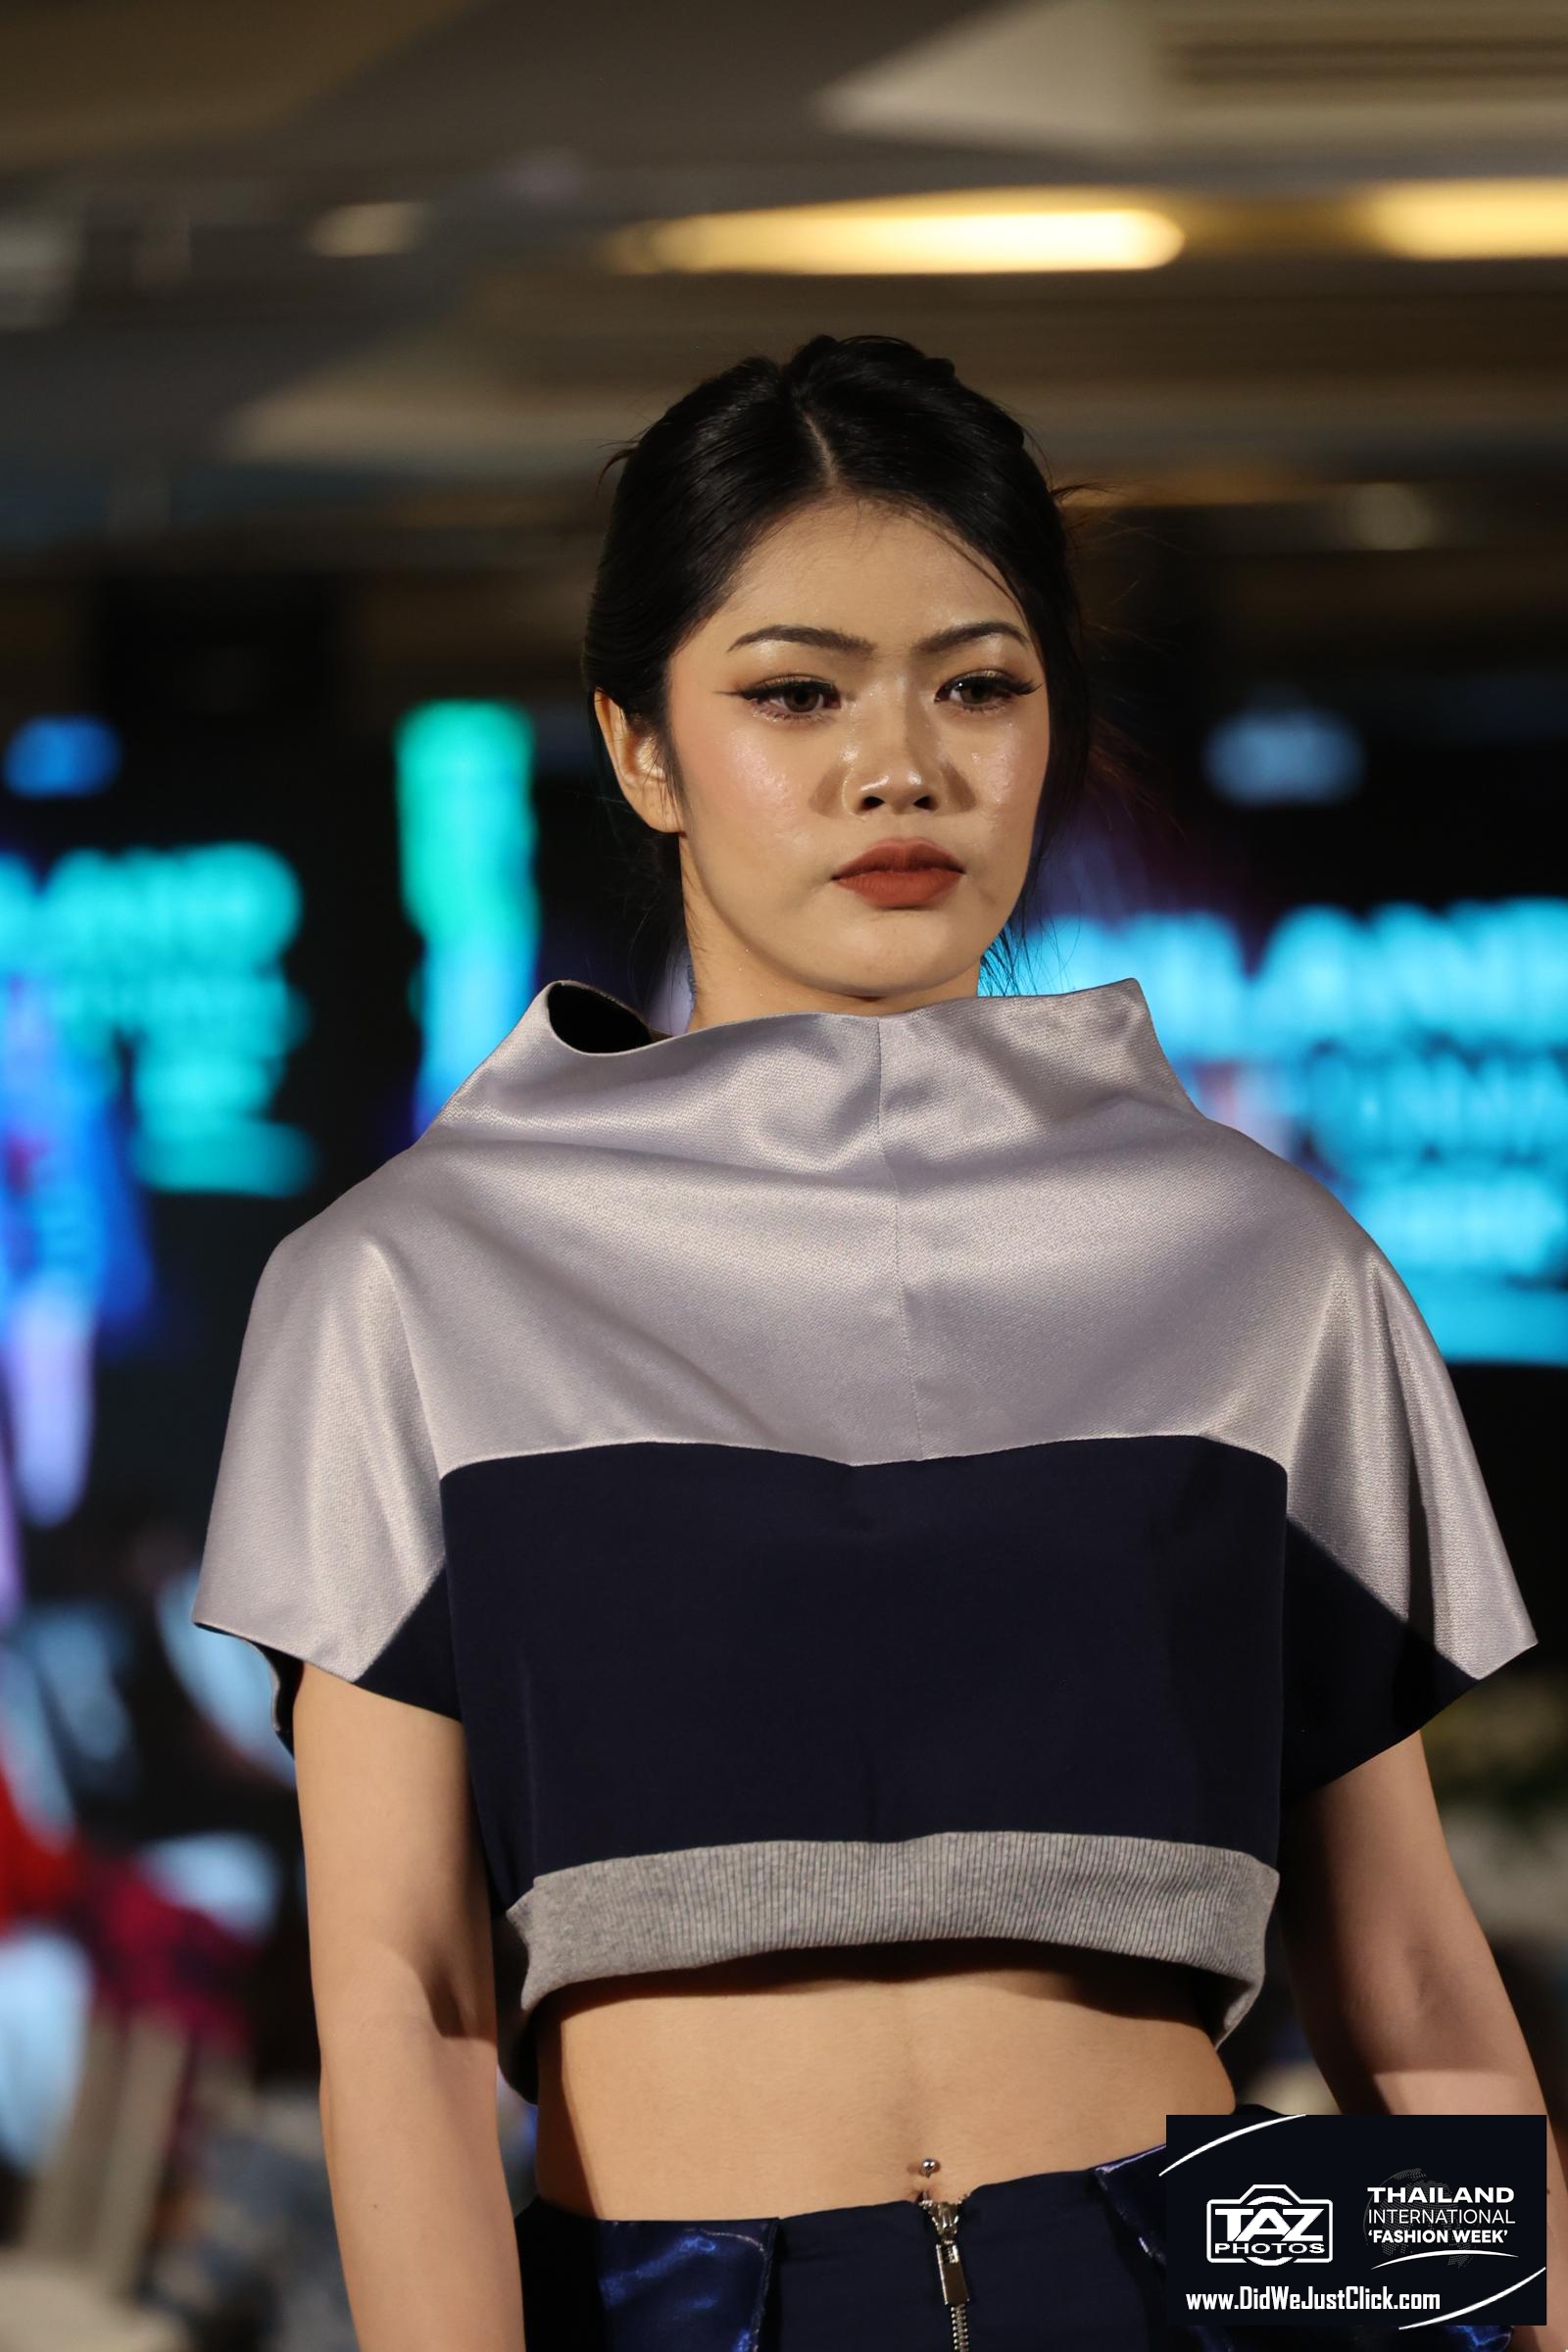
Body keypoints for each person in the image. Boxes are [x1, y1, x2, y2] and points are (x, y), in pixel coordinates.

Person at [190, 334, 1562, 2351]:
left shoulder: (1264, 1267)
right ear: (641, 748)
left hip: (1198, 2289)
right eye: (794, 692)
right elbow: (400, 2000)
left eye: (978, 686)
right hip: (679, 2304)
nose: (898, 766)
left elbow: (1418, 1993)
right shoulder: (405, 1286)